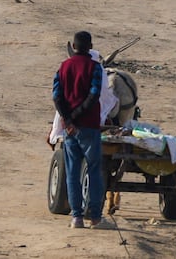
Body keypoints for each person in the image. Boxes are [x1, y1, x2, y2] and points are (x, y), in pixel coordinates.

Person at [51, 30, 107, 230]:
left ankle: (76, 218)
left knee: (72, 172)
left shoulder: (63, 67)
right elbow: (93, 96)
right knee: (93, 171)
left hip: (70, 129)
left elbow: (56, 96)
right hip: (90, 126)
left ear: (73, 47)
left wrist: (68, 119)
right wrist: (76, 117)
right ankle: (95, 217)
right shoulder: (95, 68)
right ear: (90, 47)